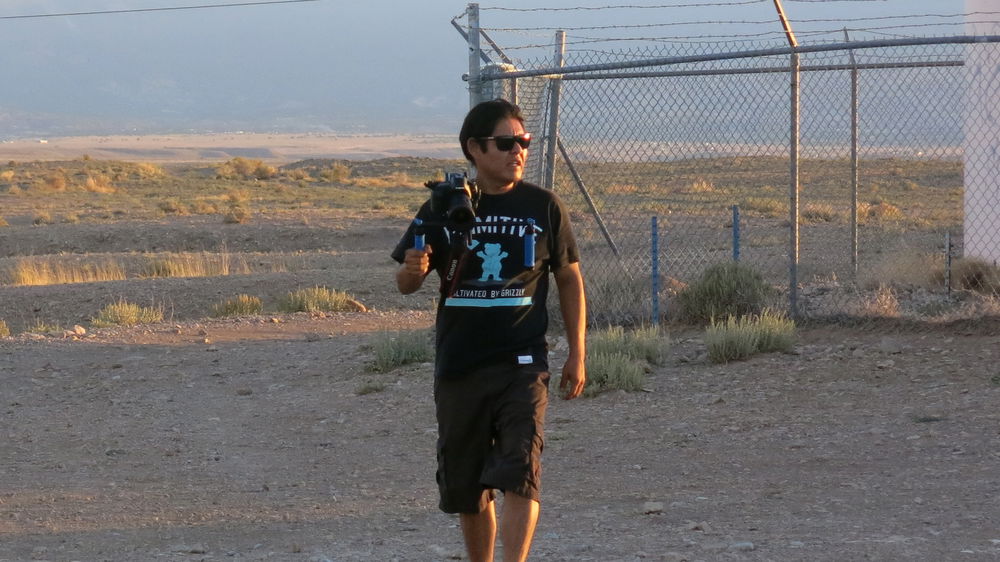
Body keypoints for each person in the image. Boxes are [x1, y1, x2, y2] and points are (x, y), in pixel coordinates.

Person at [391, 98, 587, 562]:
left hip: (522, 361)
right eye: (505, 142)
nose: (517, 151)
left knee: (521, 468)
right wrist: (416, 269)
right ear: (474, 149)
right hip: (460, 363)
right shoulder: (442, 206)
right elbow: (405, 283)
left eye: (522, 142)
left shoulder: (543, 205)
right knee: (469, 485)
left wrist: (577, 351)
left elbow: (569, 277)